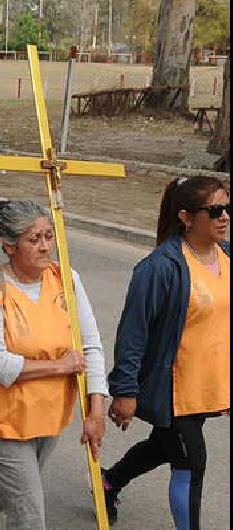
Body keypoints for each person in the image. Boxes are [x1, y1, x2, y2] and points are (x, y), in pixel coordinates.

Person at [0, 200, 108, 530]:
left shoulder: (66, 279)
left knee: (7, 489)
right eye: (33, 239)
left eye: (48, 236)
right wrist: (58, 367)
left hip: (48, 414)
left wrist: (96, 412)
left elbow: (89, 345)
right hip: (0, 421)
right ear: (9, 246)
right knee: (29, 513)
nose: (45, 246)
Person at [102, 176, 230, 529]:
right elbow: (133, 333)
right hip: (172, 390)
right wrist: (125, 391)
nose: (225, 217)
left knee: (165, 445)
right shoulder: (160, 267)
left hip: (208, 385)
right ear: (187, 217)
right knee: (191, 463)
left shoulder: (227, 256)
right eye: (216, 210)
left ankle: (109, 481)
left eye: (228, 208)